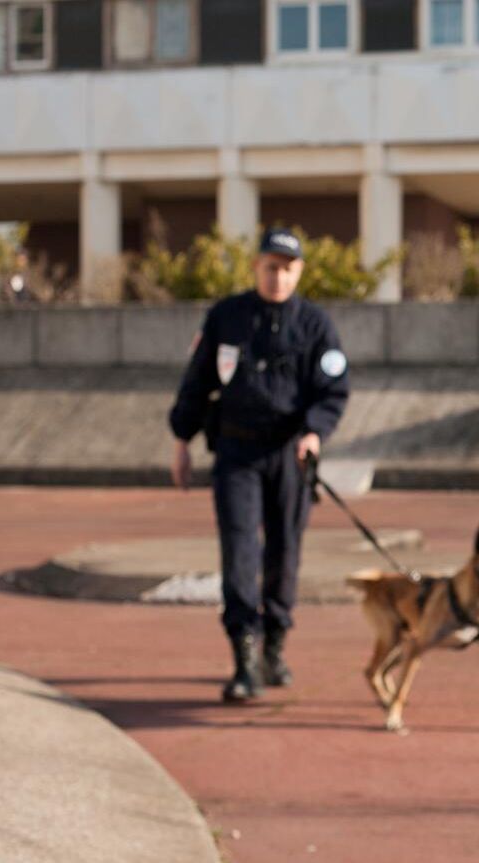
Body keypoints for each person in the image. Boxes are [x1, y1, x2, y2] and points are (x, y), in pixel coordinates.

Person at [169, 227, 349, 703]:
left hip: (290, 455)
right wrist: (181, 439)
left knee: (284, 554)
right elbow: (197, 382)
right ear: (256, 267)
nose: (278, 276)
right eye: (271, 266)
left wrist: (314, 431)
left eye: (288, 268)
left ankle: (275, 644)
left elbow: (333, 390)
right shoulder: (227, 317)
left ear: (299, 271)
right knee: (240, 553)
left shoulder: (315, 325)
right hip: (236, 455)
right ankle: (243, 658)